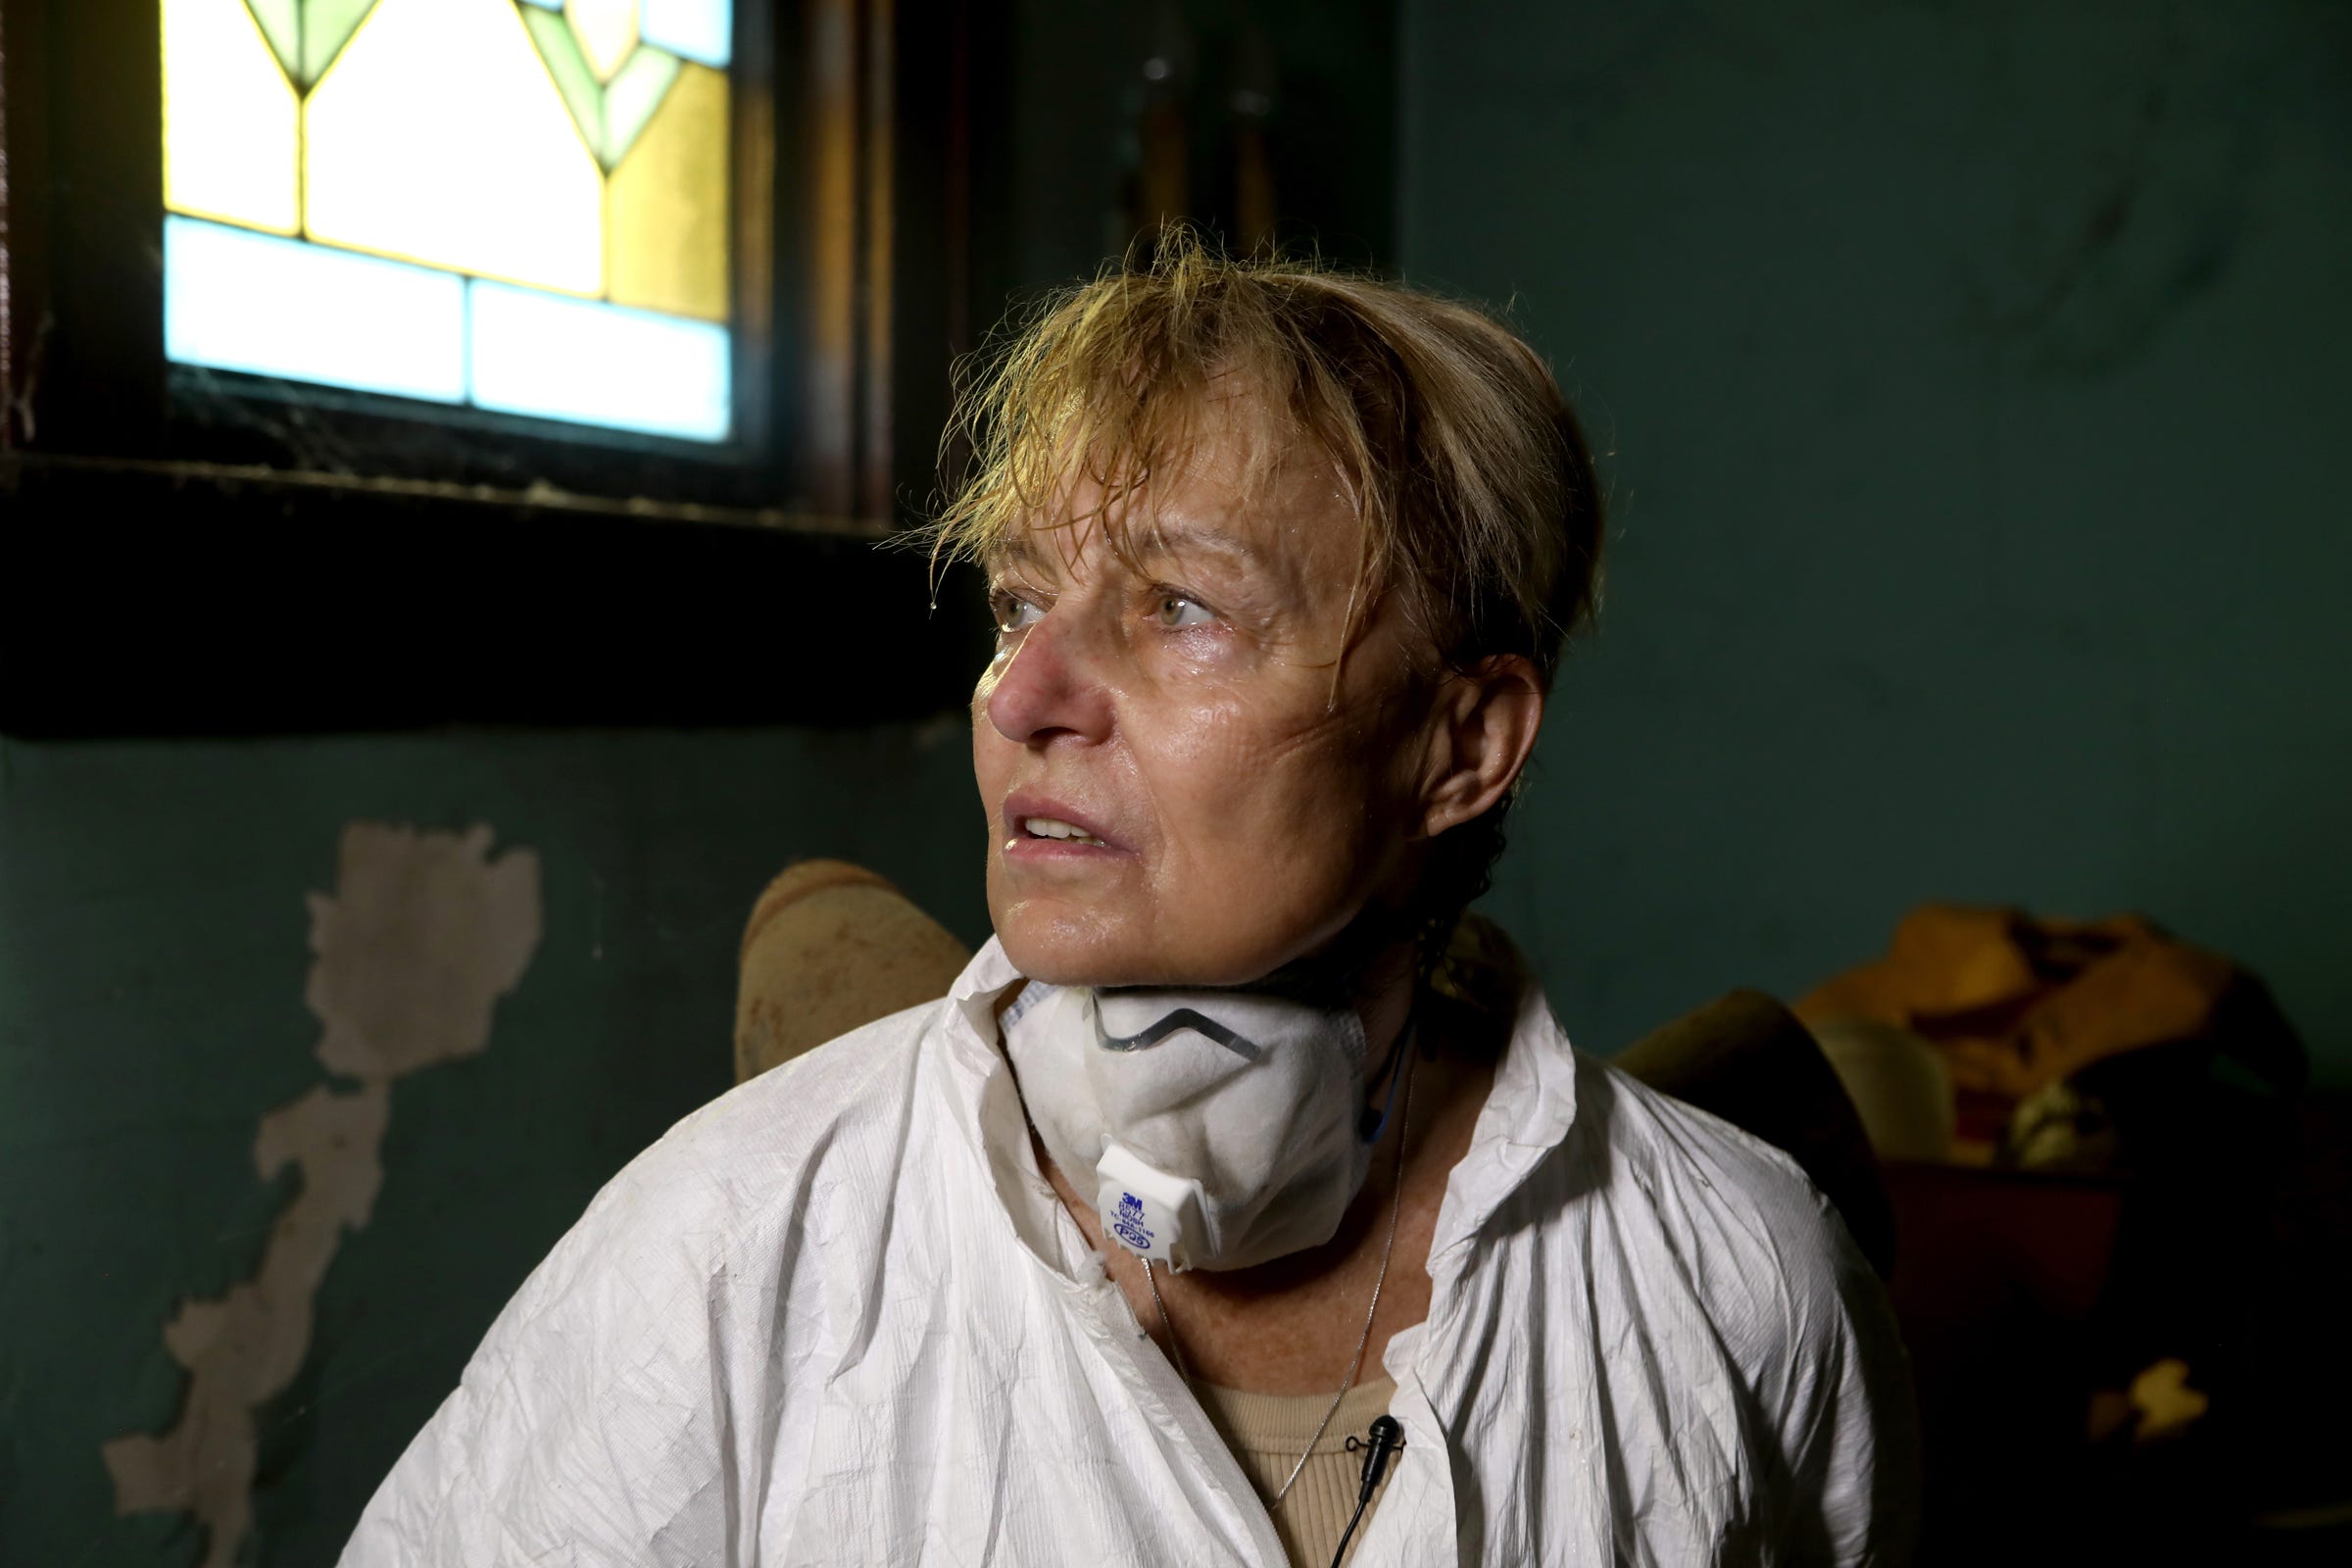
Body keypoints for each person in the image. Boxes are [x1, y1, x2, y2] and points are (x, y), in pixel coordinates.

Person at [342, 233, 1917, 1566]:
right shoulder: (728, 1249)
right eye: (1023, 599)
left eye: (1181, 608)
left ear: (1463, 743)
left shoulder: (1743, 1284)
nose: (1022, 692)